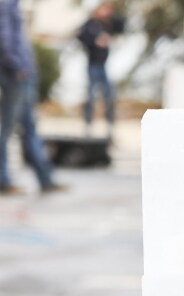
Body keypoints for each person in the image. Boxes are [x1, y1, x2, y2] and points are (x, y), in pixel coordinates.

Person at [0, 0, 65, 195]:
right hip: (16, 74)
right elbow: (4, 36)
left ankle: (45, 178)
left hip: (21, 72)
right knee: (8, 129)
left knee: (29, 127)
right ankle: (3, 179)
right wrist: (17, 66)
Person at [76, 0, 124, 137]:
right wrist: (95, 41)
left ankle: (109, 126)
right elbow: (80, 35)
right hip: (93, 64)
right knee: (91, 95)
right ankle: (88, 125)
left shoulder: (107, 24)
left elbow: (121, 24)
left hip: (104, 64)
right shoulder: (91, 24)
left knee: (108, 95)